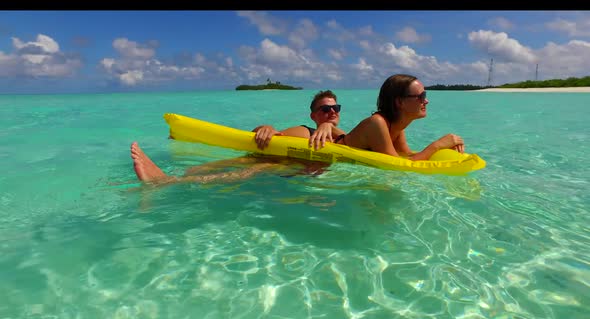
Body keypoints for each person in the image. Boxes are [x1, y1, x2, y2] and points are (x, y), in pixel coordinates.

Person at [132, 90, 346, 185]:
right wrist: (265, 127)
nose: (332, 112)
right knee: (240, 165)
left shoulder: (345, 140)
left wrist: (329, 127)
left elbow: (345, 137)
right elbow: (262, 139)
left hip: (286, 172)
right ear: (313, 115)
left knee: (253, 168)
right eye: (325, 109)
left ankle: (166, 181)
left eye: (335, 107)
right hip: (278, 165)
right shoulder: (305, 131)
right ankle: (165, 181)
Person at [336, 74, 465, 160]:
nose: (426, 101)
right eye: (421, 97)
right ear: (399, 102)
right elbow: (398, 167)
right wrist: (437, 145)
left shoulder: (396, 124)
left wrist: (443, 149)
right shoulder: (377, 123)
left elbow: (406, 155)